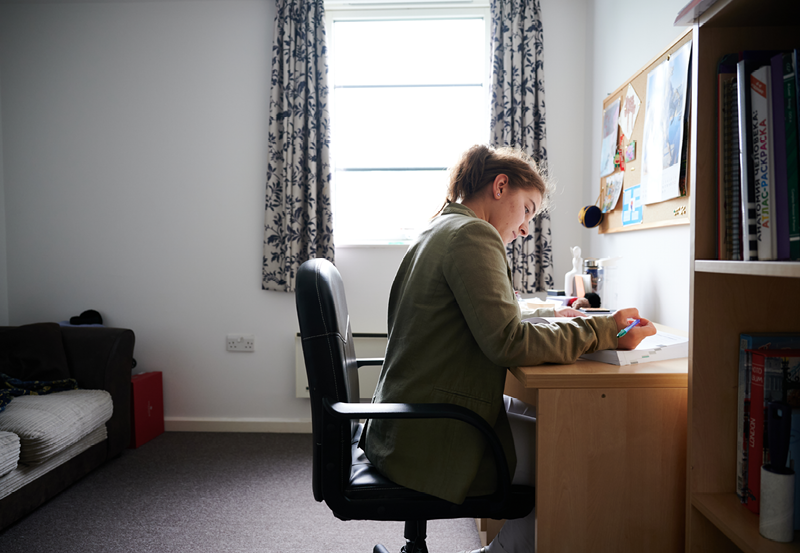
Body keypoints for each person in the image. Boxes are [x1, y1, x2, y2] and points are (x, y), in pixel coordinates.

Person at [360, 144, 656, 553]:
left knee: (550, 422)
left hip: (404, 420)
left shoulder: (439, 228)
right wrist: (605, 330)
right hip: (434, 429)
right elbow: (508, 342)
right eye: (528, 210)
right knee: (575, 454)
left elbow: (487, 324)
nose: (526, 229)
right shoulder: (473, 234)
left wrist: (552, 323)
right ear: (500, 186)